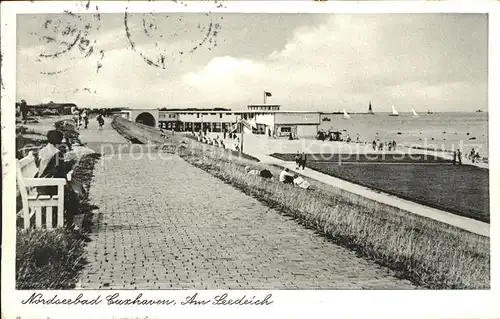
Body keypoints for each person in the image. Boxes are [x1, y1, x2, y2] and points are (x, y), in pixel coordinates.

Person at [37, 130, 78, 229]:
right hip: (48, 186)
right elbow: (60, 172)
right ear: (59, 141)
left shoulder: (43, 150)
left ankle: (59, 219)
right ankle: (69, 224)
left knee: (71, 190)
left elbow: (50, 168)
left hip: (41, 184)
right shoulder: (57, 153)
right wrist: (71, 164)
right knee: (72, 196)